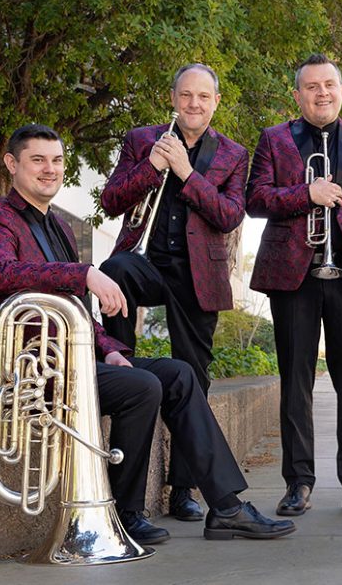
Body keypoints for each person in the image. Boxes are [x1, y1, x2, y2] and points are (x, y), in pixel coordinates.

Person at [0, 123, 294, 543]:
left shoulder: (61, 229)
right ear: (12, 164)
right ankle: (125, 512)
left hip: (72, 360)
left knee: (179, 374)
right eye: (37, 160)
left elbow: (76, 311)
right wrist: (83, 272)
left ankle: (227, 507)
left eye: (56, 161)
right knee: (141, 386)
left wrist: (110, 348)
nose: (49, 170)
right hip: (27, 371)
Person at [246, 54, 342, 517]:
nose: (321, 93)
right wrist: (304, 195)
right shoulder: (274, 139)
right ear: (298, 95)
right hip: (294, 279)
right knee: (296, 383)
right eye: (311, 86)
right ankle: (299, 482)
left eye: (329, 84)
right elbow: (254, 199)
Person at [99, 63, 247, 522]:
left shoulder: (233, 154)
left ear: (215, 102)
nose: (194, 104)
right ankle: (119, 357)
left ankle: (183, 490)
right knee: (115, 267)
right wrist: (153, 166)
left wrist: (185, 173)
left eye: (203, 97)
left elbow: (229, 215)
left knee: (193, 379)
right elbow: (112, 200)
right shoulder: (142, 140)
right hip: (145, 262)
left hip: (197, 276)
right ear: (173, 97)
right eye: (186, 95)